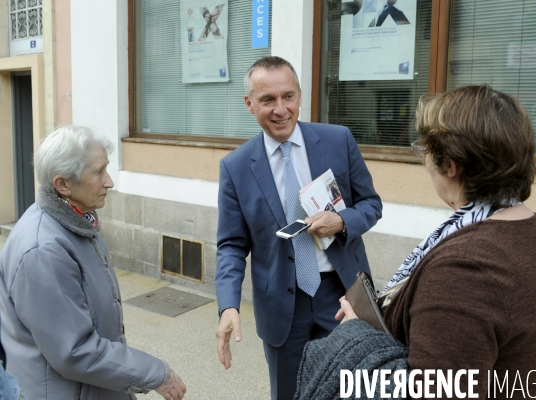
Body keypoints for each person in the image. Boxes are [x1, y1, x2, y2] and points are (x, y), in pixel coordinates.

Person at [295, 85, 536, 399]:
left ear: (450, 165)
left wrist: (356, 333)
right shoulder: (533, 233)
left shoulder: (465, 270)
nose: (425, 162)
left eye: (424, 150)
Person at [215, 56, 382, 400]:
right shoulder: (235, 167)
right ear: (249, 104)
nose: (281, 109)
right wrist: (228, 305)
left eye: (288, 96)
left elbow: (371, 205)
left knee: (350, 390)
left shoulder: (338, 141)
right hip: (280, 304)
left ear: (300, 96)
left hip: (341, 295)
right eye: (267, 100)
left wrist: (341, 220)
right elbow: (231, 244)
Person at [0, 126, 187, 400]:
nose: (109, 182)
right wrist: (156, 373)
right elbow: (74, 351)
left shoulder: (77, 221)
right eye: (98, 172)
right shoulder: (44, 249)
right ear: (63, 185)